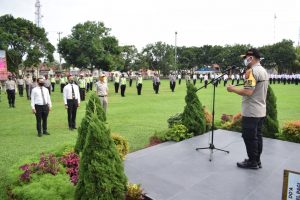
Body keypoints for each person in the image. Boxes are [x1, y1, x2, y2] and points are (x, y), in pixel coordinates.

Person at [227, 48, 268, 169]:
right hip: (260, 109)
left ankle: (252, 161)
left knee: (249, 136)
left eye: (245, 58)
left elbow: (248, 91)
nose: (244, 60)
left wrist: (232, 89)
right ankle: (257, 160)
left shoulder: (253, 72)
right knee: (257, 136)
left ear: (251, 58)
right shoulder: (262, 70)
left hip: (252, 110)